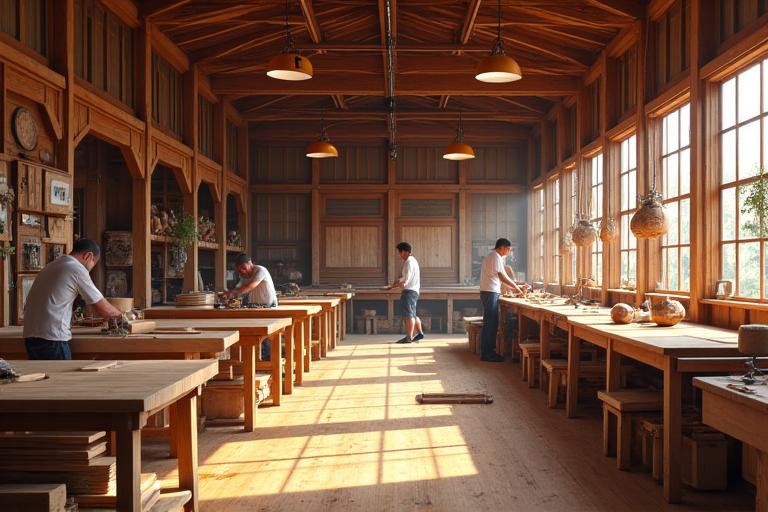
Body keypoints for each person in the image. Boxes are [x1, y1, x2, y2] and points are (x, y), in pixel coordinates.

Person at [23, 238, 123, 360]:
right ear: (88, 256)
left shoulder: (51, 266)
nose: (90, 269)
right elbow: (103, 308)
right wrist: (123, 318)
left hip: (30, 337)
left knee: (44, 378)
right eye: (93, 263)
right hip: (52, 338)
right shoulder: (76, 269)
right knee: (64, 378)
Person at [479, 238, 525, 362]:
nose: (509, 252)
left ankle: (486, 352)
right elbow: (502, 277)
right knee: (491, 323)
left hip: (489, 292)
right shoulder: (495, 256)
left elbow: (502, 277)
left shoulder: (494, 257)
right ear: (502, 247)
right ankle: (488, 353)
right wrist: (516, 288)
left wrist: (517, 286)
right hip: (490, 292)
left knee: (490, 322)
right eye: (508, 249)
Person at [225, 253, 277, 359]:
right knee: (254, 333)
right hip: (256, 306)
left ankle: (269, 360)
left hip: (269, 306)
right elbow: (239, 287)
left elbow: (250, 286)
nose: (242, 272)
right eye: (240, 270)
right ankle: (255, 358)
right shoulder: (244, 276)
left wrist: (233, 293)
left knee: (266, 334)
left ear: (250, 263)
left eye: (244, 268)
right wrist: (229, 294)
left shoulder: (261, 271)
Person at [385, 242, 423, 344]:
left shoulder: (409, 262)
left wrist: (395, 286)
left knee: (408, 315)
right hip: (414, 291)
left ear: (405, 252)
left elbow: (406, 279)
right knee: (413, 314)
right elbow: (403, 278)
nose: (399, 255)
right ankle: (419, 333)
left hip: (409, 291)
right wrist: (394, 284)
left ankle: (409, 337)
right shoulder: (413, 260)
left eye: (400, 252)